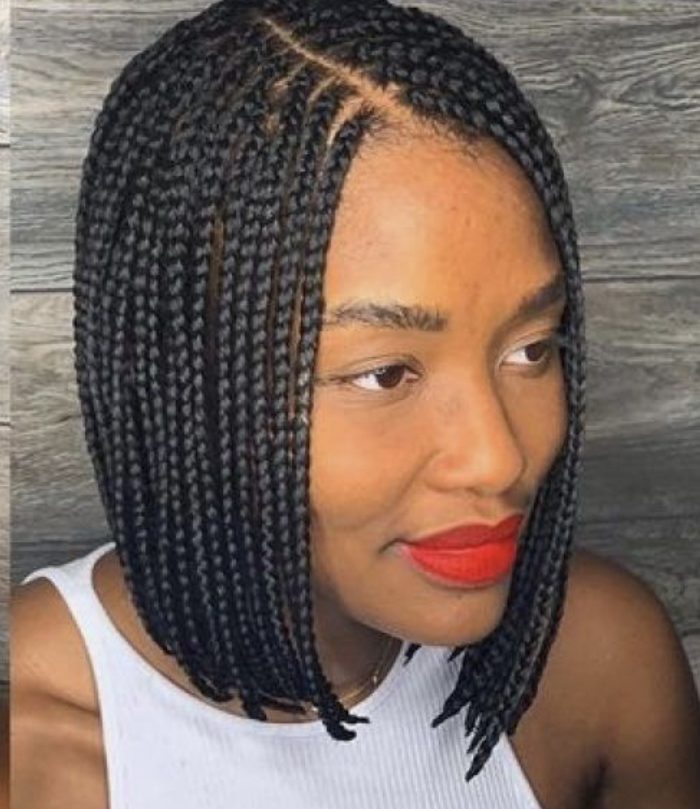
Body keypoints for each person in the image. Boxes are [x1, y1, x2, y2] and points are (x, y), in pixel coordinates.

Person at [11, 0, 700, 807]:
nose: (500, 458)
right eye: (385, 374)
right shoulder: (40, 752)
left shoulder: (599, 664)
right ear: (178, 379)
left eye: (530, 349)